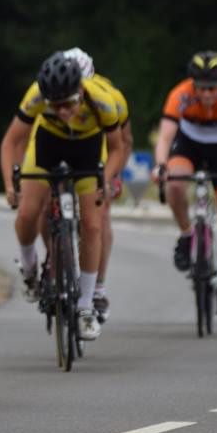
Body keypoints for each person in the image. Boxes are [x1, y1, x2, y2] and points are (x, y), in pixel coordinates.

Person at [0, 52, 124, 341]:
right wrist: (10, 184)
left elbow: (117, 148)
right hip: (49, 144)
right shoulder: (36, 95)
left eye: (69, 104)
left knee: (92, 225)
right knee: (27, 213)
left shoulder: (101, 100)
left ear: (80, 90)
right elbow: (11, 141)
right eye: (56, 106)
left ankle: (84, 308)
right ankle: (29, 269)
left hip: (88, 148)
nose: (64, 111)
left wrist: (106, 180)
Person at [152, 50, 217, 314]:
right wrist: (161, 165)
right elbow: (165, 137)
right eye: (202, 88)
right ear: (193, 84)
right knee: (175, 184)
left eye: (213, 88)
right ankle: (187, 234)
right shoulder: (181, 94)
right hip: (190, 143)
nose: (207, 94)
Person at [61, 47, 133, 323]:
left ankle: (98, 287)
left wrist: (115, 176)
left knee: (99, 217)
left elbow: (124, 141)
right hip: (60, 146)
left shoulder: (110, 97)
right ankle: (52, 268)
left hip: (98, 152)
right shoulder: (51, 89)